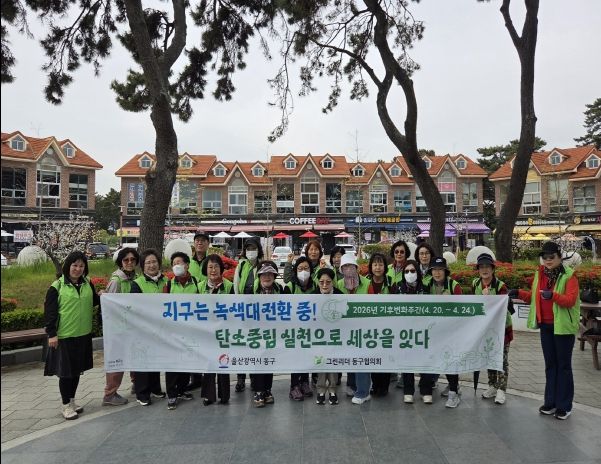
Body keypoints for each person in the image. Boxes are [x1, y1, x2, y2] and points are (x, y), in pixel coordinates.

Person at [510, 241, 580, 420]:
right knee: (550, 365)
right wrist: (519, 293)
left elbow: (570, 301)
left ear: (559, 257)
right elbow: (535, 298)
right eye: (545, 257)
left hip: (563, 328)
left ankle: (564, 406)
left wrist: (553, 296)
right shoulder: (540, 274)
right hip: (546, 327)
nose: (548, 260)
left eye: (552, 257)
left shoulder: (569, 276)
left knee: (563, 366)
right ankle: (550, 402)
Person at [44, 251, 100, 420]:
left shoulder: (87, 283)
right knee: (66, 373)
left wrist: (102, 296)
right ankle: (65, 405)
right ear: (68, 266)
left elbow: (95, 301)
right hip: (64, 336)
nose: (78, 269)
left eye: (81, 266)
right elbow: (50, 313)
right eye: (75, 265)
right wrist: (52, 334)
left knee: (76, 371)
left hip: (83, 334)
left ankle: (72, 401)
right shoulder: (57, 287)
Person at [472, 253, 512, 406]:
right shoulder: (475, 284)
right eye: (481, 267)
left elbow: (504, 308)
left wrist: (488, 299)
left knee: (501, 359)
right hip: (485, 329)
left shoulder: (500, 286)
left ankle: (502, 389)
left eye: (487, 266)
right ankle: (492, 385)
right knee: (489, 357)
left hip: (501, 329)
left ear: (493, 269)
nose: (484, 270)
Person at [130, 249, 168, 406]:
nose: (152, 265)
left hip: (160, 328)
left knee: (156, 358)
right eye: (148, 263)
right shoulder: (137, 284)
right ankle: (142, 393)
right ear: (142, 266)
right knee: (143, 360)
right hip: (143, 329)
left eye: (154, 262)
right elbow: (134, 307)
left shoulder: (166, 281)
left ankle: (155, 388)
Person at [102, 247, 139, 407]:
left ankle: (136, 384)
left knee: (135, 356)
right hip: (118, 329)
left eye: (133, 259)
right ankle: (110, 394)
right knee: (117, 361)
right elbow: (110, 306)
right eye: (126, 260)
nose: (130, 262)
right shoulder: (116, 281)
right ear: (120, 262)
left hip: (133, 327)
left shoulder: (136, 278)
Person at [425, 256, 463, 408]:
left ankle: (454, 393)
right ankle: (454, 385)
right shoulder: (427, 285)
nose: (437, 273)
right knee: (439, 360)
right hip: (433, 330)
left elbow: (461, 309)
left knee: (450, 360)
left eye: (440, 269)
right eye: (434, 269)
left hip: (451, 331)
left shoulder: (454, 286)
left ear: (446, 271)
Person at [163, 252, 198, 410]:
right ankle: (172, 394)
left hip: (190, 330)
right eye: (174, 263)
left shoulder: (196, 282)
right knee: (172, 363)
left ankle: (182, 389)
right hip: (174, 331)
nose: (176, 266)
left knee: (186, 361)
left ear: (187, 265)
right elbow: (163, 305)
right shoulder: (169, 284)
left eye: (179, 262)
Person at [198, 254, 234, 405]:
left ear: (221, 269)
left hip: (223, 331)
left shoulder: (229, 286)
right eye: (210, 267)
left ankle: (224, 395)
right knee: (208, 363)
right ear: (205, 270)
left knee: (223, 361)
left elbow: (233, 308)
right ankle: (208, 395)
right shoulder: (199, 286)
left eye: (216, 266)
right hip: (206, 331)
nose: (213, 270)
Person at [336, 253, 371, 404]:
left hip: (364, 328)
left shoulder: (367, 283)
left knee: (361, 358)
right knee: (350, 358)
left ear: (356, 268)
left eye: (351, 266)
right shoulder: (339, 284)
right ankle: (353, 385)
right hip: (345, 328)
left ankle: (363, 391)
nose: (348, 269)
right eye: (345, 267)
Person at [399, 260, 435, 404]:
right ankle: (408, 391)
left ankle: (426, 391)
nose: (410, 274)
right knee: (407, 360)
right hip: (405, 331)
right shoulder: (398, 288)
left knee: (425, 360)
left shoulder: (425, 289)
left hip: (423, 331)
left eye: (413, 271)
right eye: (406, 271)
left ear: (418, 273)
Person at [252, 261, 285, 407]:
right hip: (256, 332)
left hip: (273, 332)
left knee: (269, 361)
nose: (267, 277)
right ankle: (258, 391)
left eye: (270, 274)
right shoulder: (251, 290)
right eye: (264, 274)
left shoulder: (280, 289)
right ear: (259, 276)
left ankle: (267, 390)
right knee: (259, 361)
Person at [233, 237, 264, 392]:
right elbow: (236, 285)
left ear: (258, 250)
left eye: (253, 248)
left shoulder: (263, 265)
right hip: (243, 311)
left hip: (258, 312)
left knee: (254, 344)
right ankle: (240, 378)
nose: (251, 251)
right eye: (248, 249)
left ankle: (254, 377)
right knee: (242, 345)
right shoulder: (241, 265)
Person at [285, 256, 317, 401]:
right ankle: (294, 386)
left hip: (310, 329)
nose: (303, 271)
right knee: (295, 358)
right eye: (300, 269)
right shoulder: (290, 287)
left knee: (307, 356)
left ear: (311, 270)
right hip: (294, 329)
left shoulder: (315, 286)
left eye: (306, 268)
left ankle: (304, 382)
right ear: (295, 270)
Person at [312, 268, 343, 405]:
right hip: (318, 337)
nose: (324, 285)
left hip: (335, 336)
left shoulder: (339, 295)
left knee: (332, 363)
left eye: (328, 282)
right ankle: (320, 390)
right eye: (321, 282)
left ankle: (332, 390)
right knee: (320, 363)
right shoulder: (313, 296)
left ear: (333, 282)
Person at [367, 253, 395, 397]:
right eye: (375, 264)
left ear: (385, 266)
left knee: (385, 355)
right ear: (371, 267)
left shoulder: (391, 282)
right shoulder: (365, 281)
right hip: (370, 326)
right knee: (373, 356)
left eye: (380, 264)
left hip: (387, 325)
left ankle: (384, 386)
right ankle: (374, 384)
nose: (378, 268)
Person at [186, 233, 210, 390]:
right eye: (197, 241)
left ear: (208, 244)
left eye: (203, 241)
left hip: (208, 309)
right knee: (193, 344)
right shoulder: (188, 262)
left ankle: (208, 377)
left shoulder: (211, 261)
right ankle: (195, 378)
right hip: (191, 309)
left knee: (207, 344)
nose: (200, 243)